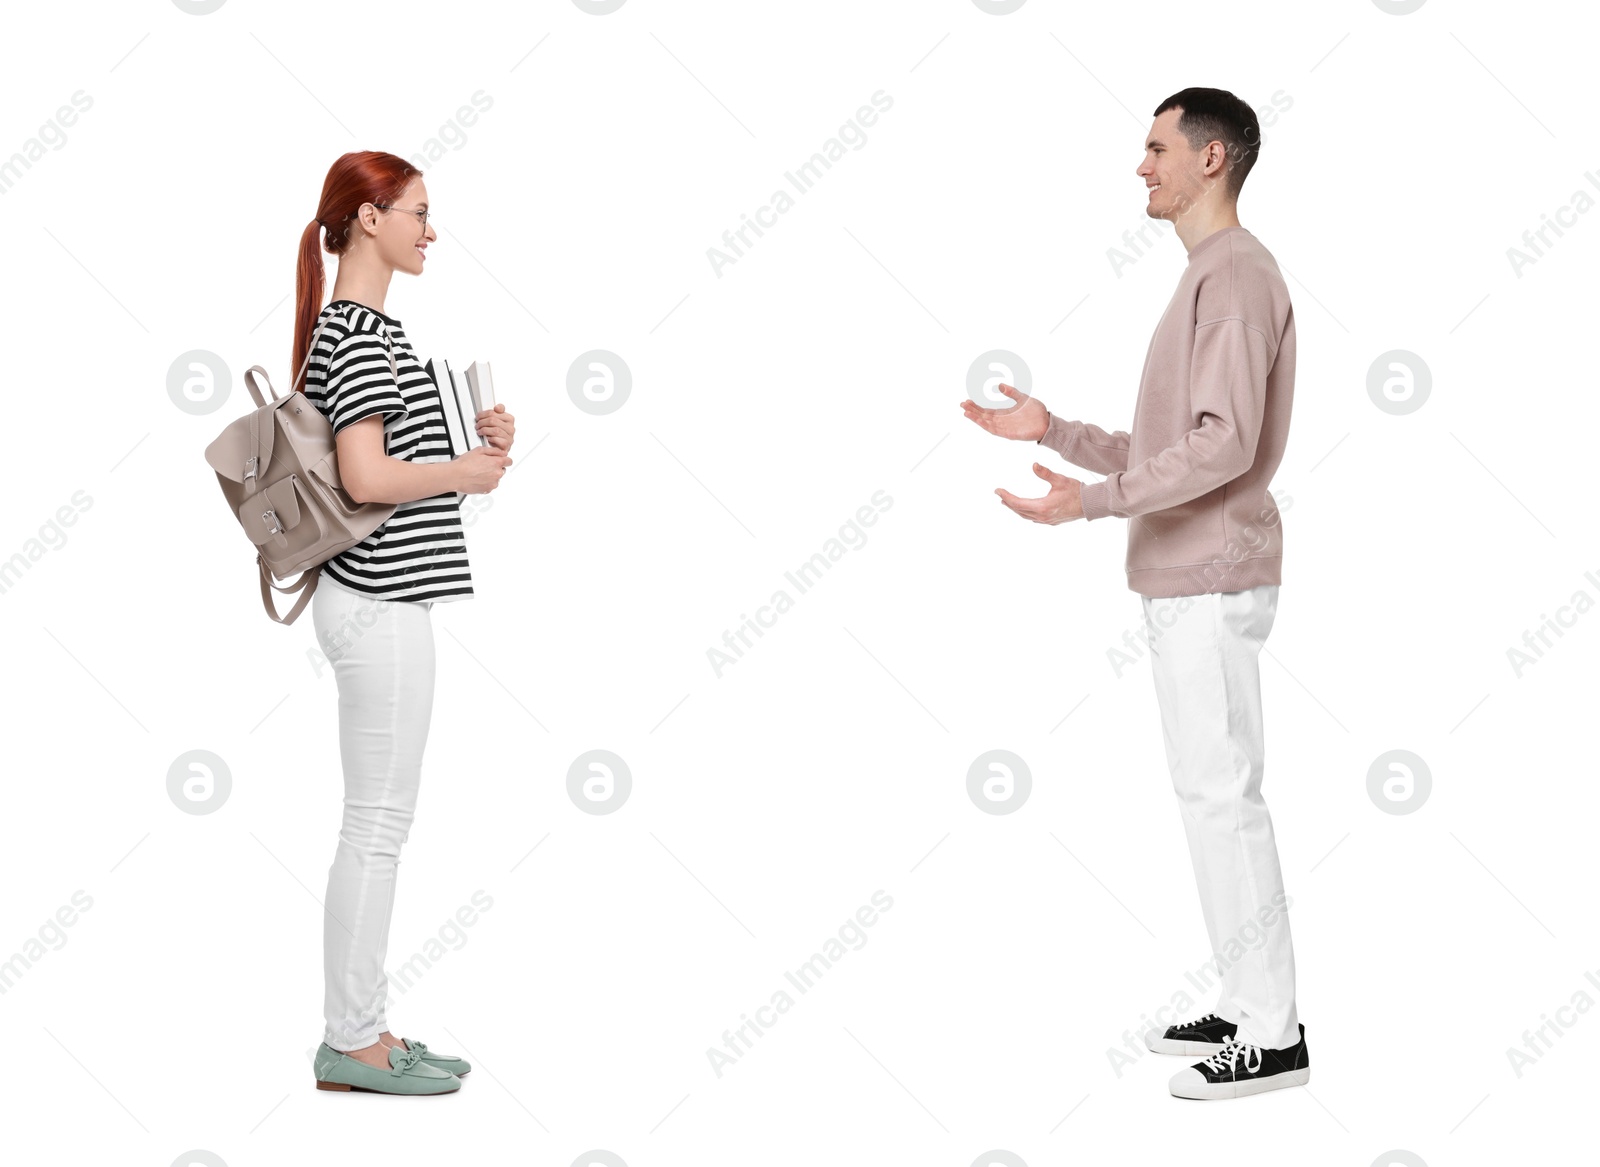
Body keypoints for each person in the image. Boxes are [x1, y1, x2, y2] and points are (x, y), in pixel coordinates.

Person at [962, 88, 1308, 1101]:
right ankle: (1249, 1003)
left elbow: (1222, 447)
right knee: (1208, 795)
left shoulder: (1235, 276)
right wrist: (1055, 431)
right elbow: (1176, 447)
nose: (1140, 165)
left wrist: (1094, 502)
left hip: (1209, 574)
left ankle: (1273, 1034)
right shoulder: (1210, 278)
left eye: (1157, 147)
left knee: (1222, 797)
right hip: (1186, 573)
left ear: (1212, 159)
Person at [290, 150, 515, 1095]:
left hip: (385, 599)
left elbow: (394, 467)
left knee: (379, 824)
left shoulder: (370, 332)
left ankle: (366, 1029)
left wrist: (483, 446)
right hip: (378, 603)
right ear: (370, 218)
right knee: (376, 826)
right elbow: (367, 480)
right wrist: (462, 474)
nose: (432, 231)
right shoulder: (359, 334)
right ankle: (354, 1038)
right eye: (419, 212)